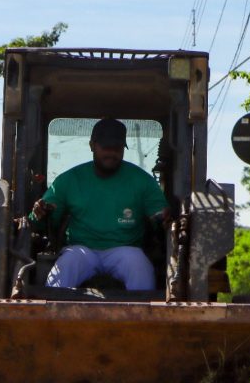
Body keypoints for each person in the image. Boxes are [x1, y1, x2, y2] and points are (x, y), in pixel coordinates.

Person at [29, 118, 168, 290]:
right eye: (105, 147)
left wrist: (163, 219)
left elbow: (160, 217)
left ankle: (145, 316)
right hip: (81, 250)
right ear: (92, 145)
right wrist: (40, 213)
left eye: (116, 148)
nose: (111, 153)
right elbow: (41, 220)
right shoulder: (69, 180)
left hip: (125, 250)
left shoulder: (142, 181)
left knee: (139, 265)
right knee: (65, 267)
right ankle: (51, 315)